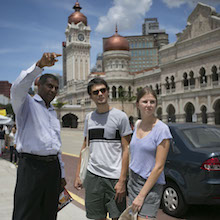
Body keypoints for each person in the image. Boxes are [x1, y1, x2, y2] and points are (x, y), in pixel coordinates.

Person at [11, 52, 66, 220]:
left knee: (49, 212)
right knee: (25, 213)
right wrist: (39, 66)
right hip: (31, 167)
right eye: (49, 86)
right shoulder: (25, 104)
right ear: (38, 86)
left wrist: (62, 175)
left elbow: (56, 145)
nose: (53, 90)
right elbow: (18, 86)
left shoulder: (52, 112)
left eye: (56, 88)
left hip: (52, 168)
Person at [74, 77, 132, 220]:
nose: (100, 94)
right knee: (96, 217)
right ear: (91, 96)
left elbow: (127, 149)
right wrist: (78, 175)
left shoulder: (121, 117)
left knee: (117, 217)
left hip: (114, 178)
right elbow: (85, 147)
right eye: (95, 92)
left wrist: (122, 180)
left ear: (107, 92)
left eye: (103, 90)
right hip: (93, 177)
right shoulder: (89, 118)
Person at [128, 87, 172, 220]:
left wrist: (141, 196)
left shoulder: (162, 130)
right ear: (137, 104)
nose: (148, 105)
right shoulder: (137, 124)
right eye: (145, 101)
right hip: (133, 181)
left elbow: (159, 167)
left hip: (150, 185)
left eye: (152, 102)